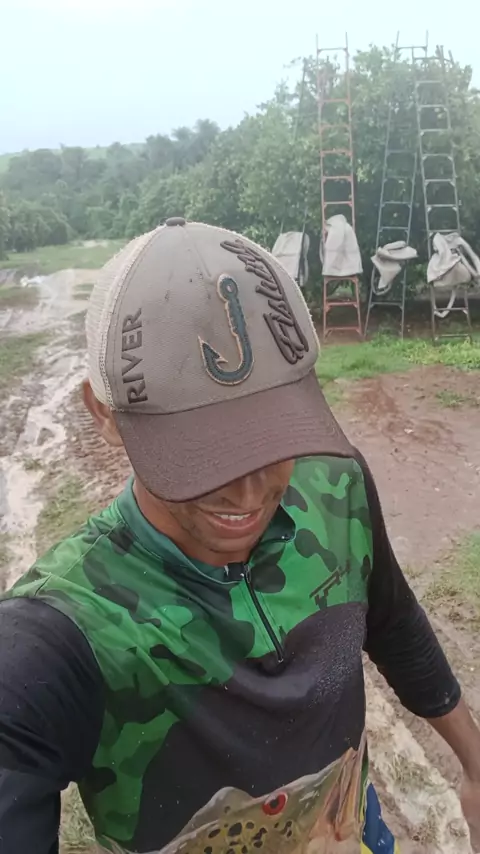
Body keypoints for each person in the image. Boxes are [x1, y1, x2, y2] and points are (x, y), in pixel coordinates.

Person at [0, 218, 479, 854]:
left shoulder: (334, 485)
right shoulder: (62, 633)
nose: (250, 492)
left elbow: (390, 619)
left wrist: (474, 764)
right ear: (106, 416)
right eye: (202, 457)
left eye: (271, 437)